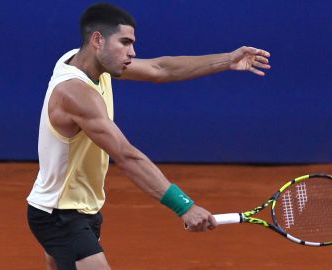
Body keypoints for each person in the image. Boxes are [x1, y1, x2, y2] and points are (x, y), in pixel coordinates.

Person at [26, 2, 270, 270]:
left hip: (83, 208)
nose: (133, 52)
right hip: (60, 214)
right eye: (125, 42)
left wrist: (227, 60)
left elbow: (159, 69)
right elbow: (126, 155)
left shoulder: (86, 60)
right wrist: (184, 206)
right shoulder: (75, 93)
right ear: (97, 40)